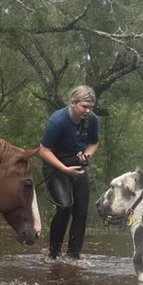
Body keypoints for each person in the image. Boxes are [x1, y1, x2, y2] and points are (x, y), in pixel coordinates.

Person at [39, 85, 99, 260]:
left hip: (77, 164)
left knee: (81, 211)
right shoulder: (57, 121)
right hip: (56, 167)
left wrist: (86, 156)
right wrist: (64, 169)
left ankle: (74, 256)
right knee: (65, 206)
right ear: (73, 103)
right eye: (84, 107)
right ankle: (53, 253)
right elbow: (43, 150)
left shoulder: (92, 120)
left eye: (91, 107)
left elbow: (94, 143)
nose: (88, 111)